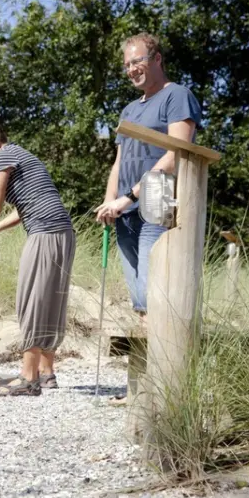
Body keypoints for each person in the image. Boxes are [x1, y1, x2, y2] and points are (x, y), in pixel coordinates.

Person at [0, 116, 76, 396]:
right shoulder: (22, 154)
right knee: (50, 300)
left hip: (45, 233)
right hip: (63, 233)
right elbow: (23, 208)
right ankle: (46, 373)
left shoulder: (3, 156)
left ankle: (28, 378)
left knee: (32, 300)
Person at [95, 32, 202, 331]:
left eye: (137, 61)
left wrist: (129, 196)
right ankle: (146, 355)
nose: (131, 69)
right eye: (127, 65)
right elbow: (118, 163)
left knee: (151, 287)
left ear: (157, 59)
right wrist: (109, 201)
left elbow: (177, 154)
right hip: (123, 207)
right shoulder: (129, 110)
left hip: (159, 196)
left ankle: (164, 354)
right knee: (138, 294)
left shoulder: (177, 95)